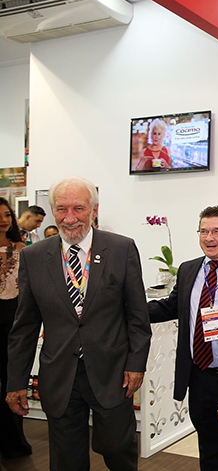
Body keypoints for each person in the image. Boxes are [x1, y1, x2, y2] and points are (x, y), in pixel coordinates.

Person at [5, 176, 151, 471]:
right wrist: (16, 382)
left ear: (94, 210)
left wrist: (136, 364)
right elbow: (25, 326)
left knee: (118, 449)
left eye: (78, 208)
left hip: (112, 374)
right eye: (62, 209)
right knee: (66, 460)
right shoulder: (33, 256)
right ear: (53, 211)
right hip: (59, 376)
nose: (69, 218)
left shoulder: (121, 249)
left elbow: (137, 315)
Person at [148, 206, 218, 470]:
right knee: (212, 449)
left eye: (217, 231)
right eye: (203, 231)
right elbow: (171, 307)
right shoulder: (189, 269)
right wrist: (129, 310)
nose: (209, 237)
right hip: (202, 376)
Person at [0, 197, 32, 459]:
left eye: (7, 215)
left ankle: (13, 441)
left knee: (13, 383)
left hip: (14, 324)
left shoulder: (23, 250)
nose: (3, 220)